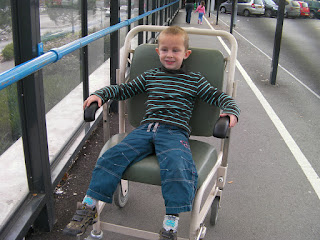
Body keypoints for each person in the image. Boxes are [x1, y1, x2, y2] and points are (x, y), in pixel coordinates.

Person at [63, 26, 240, 240]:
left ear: (186, 54)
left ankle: (170, 223)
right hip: (145, 131)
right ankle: (89, 205)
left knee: (178, 165)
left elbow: (219, 96)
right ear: (158, 52)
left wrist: (230, 110)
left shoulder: (195, 80)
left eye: (176, 50)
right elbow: (123, 89)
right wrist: (100, 95)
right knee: (111, 156)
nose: (169, 55)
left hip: (174, 133)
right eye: (165, 50)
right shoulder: (151, 76)